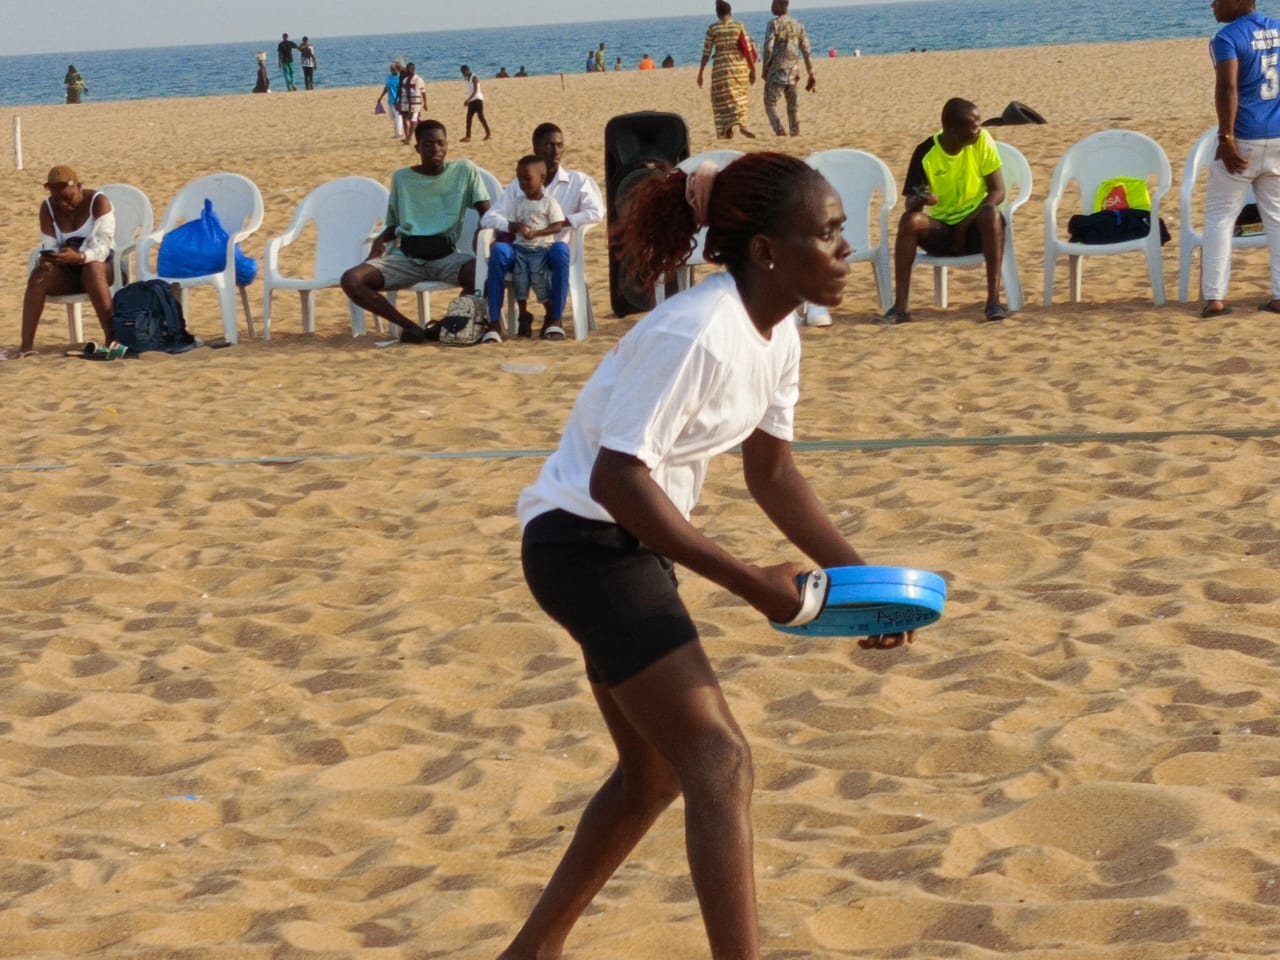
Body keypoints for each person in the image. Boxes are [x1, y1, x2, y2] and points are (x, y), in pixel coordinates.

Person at [502, 152, 914, 960]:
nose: (845, 251)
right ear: (764, 250)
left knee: (654, 777)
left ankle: (532, 951)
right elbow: (617, 478)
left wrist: (867, 585)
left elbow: (774, 475)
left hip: (623, 545)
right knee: (719, 761)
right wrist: (754, 585)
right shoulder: (699, 331)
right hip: (583, 544)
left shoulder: (779, 328)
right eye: (826, 235)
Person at [339, 120, 496, 344]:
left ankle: (441, 327)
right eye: (428, 144)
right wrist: (381, 240)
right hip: (406, 258)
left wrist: (482, 231)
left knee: (484, 274)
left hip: (446, 257)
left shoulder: (464, 171)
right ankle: (410, 327)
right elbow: (395, 224)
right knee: (352, 280)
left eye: (440, 144)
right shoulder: (402, 178)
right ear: (417, 148)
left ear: (447, 146)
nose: (435, 150)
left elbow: (487, 213)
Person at [882, 97, 1009, 324]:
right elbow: (911, 204)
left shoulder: (983, 141)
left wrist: (964, 225)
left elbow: (998, 191)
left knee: (991, 213)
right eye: (974, 126)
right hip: (942, 231)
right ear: (954, 131)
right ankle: (900, 307)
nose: (979, 130)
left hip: (977, 229)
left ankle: (993, 302)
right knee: (909, 222)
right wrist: (921, 199)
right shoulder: (926, 152)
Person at [481, 122, 605, 339]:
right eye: (549, 146)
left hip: (552, 250)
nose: (556, 151)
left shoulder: (577, 181)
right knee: (499, 251)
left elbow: (596, 212)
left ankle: (555, 320)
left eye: (559, 145)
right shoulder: (519, 184)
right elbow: (490, 217)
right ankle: (493, 325)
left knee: (560, 250)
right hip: (521, 248)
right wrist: (512, 226)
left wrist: (560, 223)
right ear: (536, 148)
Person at [1202, 0, 1280, 318]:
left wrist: (1226, 137)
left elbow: (1228, 87)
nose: (1212, 5)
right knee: (1277, 218)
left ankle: (1215, 298)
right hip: (1277, 137)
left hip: (1245, 137)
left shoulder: (1227, 38)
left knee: (1220, 216)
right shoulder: (1277, 29)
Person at [21, 166, 115, 355]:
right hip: (69, 271)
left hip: (102, 268)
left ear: (79, 187)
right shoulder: (47, 208)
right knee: (39, 276)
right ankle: (26, 347)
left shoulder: (98, 202)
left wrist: (80, 257)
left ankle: (112, 339)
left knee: (93, 269)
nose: (62, 204)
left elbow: (103, 247)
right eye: (57, 199)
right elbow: (49, 244)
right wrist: (50, 258)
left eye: (67, 198)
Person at [495, 155, 569, 336]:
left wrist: (536, 233)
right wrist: (517, 227)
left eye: (528, 179)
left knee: (538, 279)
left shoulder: (549, 203)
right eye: (520, 180)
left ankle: (550, 313)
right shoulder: (518, 202)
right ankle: (523, 313)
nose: (523, 184)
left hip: (541, 249)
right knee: (520, 280)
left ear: (542, 178)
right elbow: (511, 224)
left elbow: (557, 225)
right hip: (520, 248)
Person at [698, 1, 757, 140]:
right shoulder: (738, 26)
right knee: (739, 97)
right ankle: (742, 125)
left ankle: (726, 129)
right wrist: (752, 69)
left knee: (722, 99)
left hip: (721, 68)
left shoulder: (713, 29)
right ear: (730, 12)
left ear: (717, 14)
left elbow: (706, 52)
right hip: (738, 67)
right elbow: (747, 49)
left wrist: (700, 72)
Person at [761, 0, 816, 137]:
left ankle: (779, 130)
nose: (771, 7)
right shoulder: (798, 24)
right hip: (793, 71)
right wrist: (810, 72)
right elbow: (806, 50)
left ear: (779, 6)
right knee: (792, 105)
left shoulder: (773, 24)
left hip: (776, 70)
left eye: (773, 4)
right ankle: (795, 132)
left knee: (770, 102)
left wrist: (765, 66)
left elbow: (768, 47)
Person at [459, 65, 491, 142]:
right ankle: (468, 136)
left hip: (478, 100)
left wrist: (468, 99)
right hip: (472, 100)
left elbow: (475, 91)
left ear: (466, 70)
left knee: (481, 117)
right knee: (469, 118)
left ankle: (488, 134)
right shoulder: (468, 78)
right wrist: (470, 100)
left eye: (463, 72)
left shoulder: (474, 78)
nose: (463, 74)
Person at [398, 62, 427, 145]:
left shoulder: (419, 80)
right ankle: (410, 135)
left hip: (415, 103)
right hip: (406, 103)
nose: (406, 71)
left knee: (413, 120)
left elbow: (423, 92)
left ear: (412, 69)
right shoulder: (405, 80)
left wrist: (425, 103)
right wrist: (400, 102)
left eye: (408, 69)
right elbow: (403, 92)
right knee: (409, 119)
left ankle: (409, 138)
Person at [376, 60, 404, 139]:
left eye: (393, 69)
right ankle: (397, 132)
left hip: (398, 100)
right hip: (390, 100)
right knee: (392, 117)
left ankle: (398, 134)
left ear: (396, 69)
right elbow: (386, 87)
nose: (392, 70)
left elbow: (402, 89)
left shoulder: (399, 78)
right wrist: (381, 97)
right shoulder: (389, 77)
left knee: (398, 117)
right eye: (391, 69)